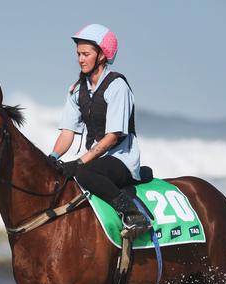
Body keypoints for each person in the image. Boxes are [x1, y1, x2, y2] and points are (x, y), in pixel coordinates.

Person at [48, 24, 151, 239]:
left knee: (83, 172)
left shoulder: (117, 86)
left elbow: (112, 138)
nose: (80, 59)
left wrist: (79, 163)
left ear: (102, 55)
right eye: (78, 54)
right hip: (95, 160)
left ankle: (134, 215)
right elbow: (68, 133)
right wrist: (52, 157)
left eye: (86, 54)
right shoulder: (76, 89)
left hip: (121, 160)